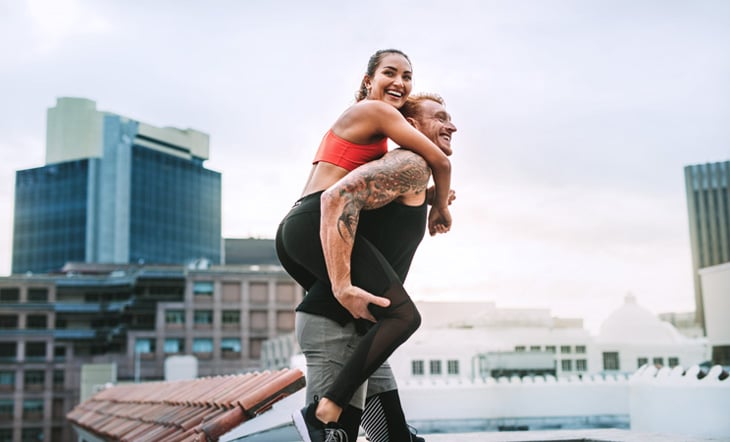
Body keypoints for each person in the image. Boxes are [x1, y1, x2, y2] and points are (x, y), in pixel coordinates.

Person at [275, 49, 453, 442]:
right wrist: (439, 205)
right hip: (312, 222)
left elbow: (373, 195)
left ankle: (334, 408)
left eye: (407, 76)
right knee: (404, 317)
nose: (400, 82)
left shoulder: (379, 141)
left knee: (393, 436)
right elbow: (438, 161)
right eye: (390, 72)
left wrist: (424, 198)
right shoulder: (377, 112)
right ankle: (324, 412)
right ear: (368, 79)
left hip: (303, 230)